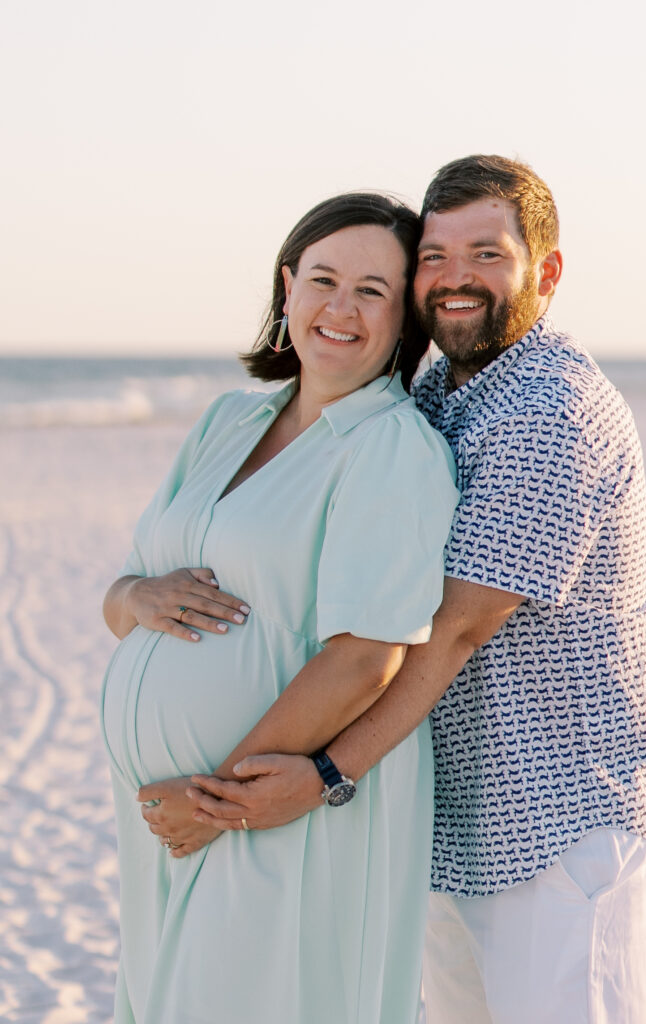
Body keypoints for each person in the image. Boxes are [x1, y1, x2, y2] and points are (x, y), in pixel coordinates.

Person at [186, 156, 646, 1024]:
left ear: (548, 272)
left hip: (566, 830)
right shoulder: (436, 390)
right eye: (436, 255)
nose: (456, 277)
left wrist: (325, 775)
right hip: (459, 827)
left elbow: (452, 631)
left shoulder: (551, 410)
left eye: (487, 254)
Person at [100, 192, 459, 1023]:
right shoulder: (230, 419)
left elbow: (367, 657)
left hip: (268, 810)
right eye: (324, 279)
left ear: (404, 318)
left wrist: (216, 800)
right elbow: (124, 599)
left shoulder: (391, 448)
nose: (341, 307)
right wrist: (136, 595)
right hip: (170, 820)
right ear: (288, 287)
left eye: (373, 290)